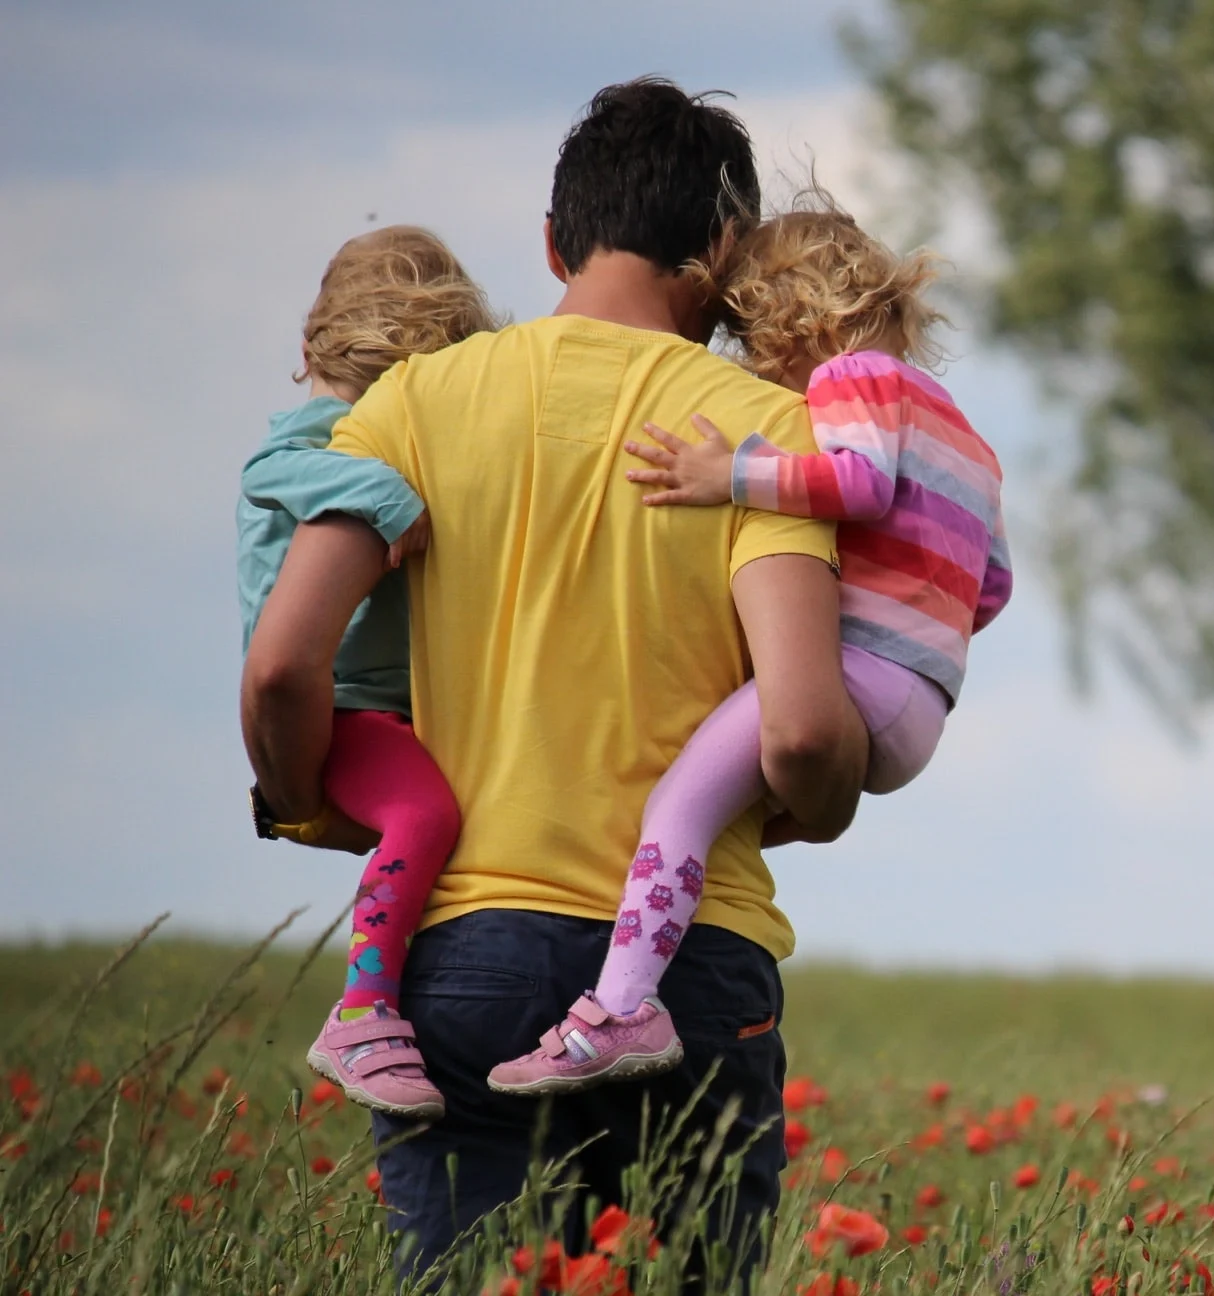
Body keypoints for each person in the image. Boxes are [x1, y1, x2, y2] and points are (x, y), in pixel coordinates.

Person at [240, 78, 868, 1270]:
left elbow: (281, 667)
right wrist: (821, 807)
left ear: (551, 241)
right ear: (724, 250)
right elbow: (799, 733)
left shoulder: (410, 405)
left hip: (463, 954)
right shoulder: (761, 434)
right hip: (688, 968)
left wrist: (307, 800)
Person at [487, 197, 1010, 1094]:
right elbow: (991, 586)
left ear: (793, 318)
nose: (753, 364)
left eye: (750, 336)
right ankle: (645, 968)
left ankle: (620, 1009)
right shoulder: (967, 435)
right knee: (722, 812)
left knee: (677, 807)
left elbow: (859, 484)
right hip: (924, 701)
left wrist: (726, 474)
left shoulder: (854, 381)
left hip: (859, 677)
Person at [238, 225, 496, 1119]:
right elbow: (272, 468)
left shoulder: (364, 427)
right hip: (344, 707)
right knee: (425, 813)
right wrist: (386, 495)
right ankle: (364, 1010)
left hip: (389, 709)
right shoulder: (319, 438)